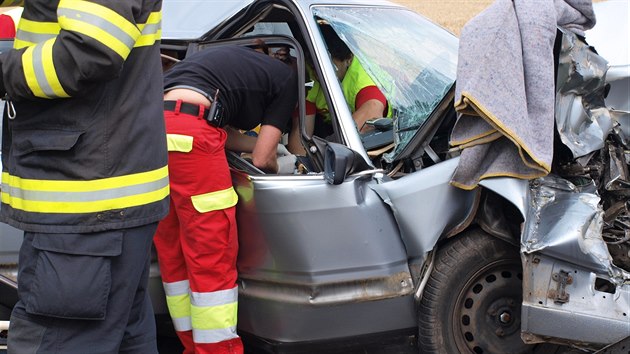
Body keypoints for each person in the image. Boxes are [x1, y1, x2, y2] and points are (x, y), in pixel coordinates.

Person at [0, 1, 168, 353]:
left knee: (56, 341)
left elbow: (88, 52)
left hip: (86, 205)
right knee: (120, 336)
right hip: (98, 201)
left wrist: (4, 70)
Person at [154, 44, 298, 354]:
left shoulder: (223, 64)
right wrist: (279, 159)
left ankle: (192, 345)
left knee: (173, 248)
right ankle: (217, 349)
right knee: (210, 249)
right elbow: (262, 160)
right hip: (193, 135)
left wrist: (258, 144)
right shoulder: (287, 81)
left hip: (152, 133)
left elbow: (213, 124)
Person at [288, 24, 390, 154]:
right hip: (336, 135)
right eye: (314, 66)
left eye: (330, 65)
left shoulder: (363, 75)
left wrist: (327, 153)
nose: (319, 73)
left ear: (348, 59)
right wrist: (301, 166)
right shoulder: (310, 73)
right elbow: (299, 132)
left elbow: (370, 114)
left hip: (382, 140)